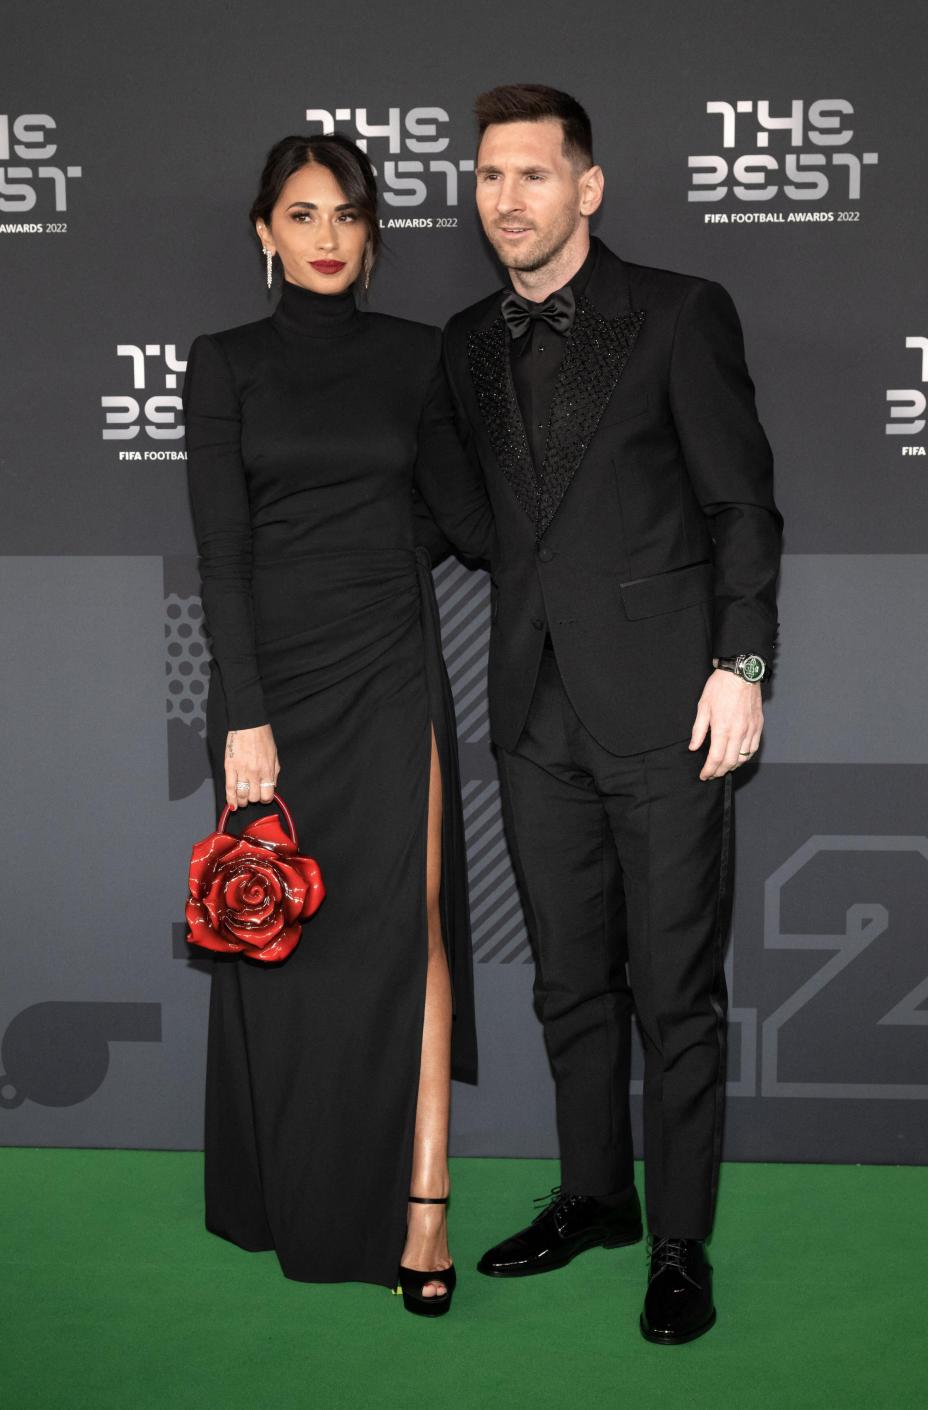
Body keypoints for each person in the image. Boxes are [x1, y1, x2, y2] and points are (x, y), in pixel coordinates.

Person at [441, 85, 783, 1344]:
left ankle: (680, 1241)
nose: (506, 200)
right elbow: (475, 511)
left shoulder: (680, 314)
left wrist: (739, 664)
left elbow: (742, 505)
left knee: (672, 990)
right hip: (532, 712)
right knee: (568, 982)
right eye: (487, 176)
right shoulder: (467, 341)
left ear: (587, 187)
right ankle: (595, 1196)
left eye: (532, 175)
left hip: (668, 712)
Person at [182, 132, 495, 1316]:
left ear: (372, 237)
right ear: (264, 232)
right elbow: (222, 553)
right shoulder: (225, 363)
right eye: (302, 215)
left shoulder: (419, 359)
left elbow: (466, 519)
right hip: (273, 689)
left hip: (386, 672)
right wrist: (244, 718)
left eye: (349, 217)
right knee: (282, 945)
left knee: (407, 927)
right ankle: (284, 1186)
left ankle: (426, 1203)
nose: (326, 237)